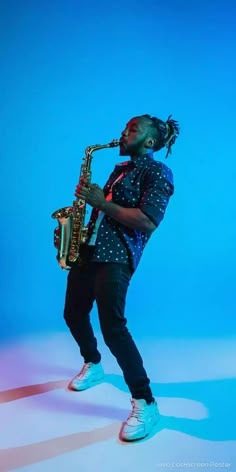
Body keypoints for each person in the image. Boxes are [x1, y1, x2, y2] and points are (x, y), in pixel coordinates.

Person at [63, 113, 180, 441]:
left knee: (113, 328)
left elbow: (147, 221)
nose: (123, 133)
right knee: (72, 312)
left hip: (117, 257)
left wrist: (102, 202)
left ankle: (146, 403)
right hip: (91, 250)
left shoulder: (158, 171)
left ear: (150, 141)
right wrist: (81, 219)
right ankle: (93, 363)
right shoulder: (120, 171)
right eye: (125, 128)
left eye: (132, 129)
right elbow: (106, 213)